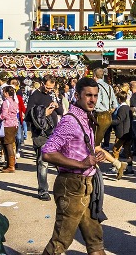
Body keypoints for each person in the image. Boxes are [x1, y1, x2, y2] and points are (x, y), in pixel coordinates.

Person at [41, 77, 108, 255]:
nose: (93, 100)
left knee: (95, 239)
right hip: (71, 186)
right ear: (77, 96)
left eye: (95, 95)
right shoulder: (70, 121)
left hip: (86, 185)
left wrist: (95, 155)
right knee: (60, 242)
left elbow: (80, 148)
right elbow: (47, 152)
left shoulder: (85, 117)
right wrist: (81, 163)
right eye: (88, 95)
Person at [26, 74, 64, 201]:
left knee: (60, 161)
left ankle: (64, 187)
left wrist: (57, 105)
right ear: (42, 84)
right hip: (41, 134)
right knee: (43, 163)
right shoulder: (35, 96)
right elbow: (28, 115)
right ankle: (43, 191)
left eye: (51, 88)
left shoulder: (52, 95)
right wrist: (44, 113)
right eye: (47, 87)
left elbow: (61, 112)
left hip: (54, 133)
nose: (49, 90)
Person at [92, 67, 117, 148]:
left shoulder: (96, 86)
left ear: (94, 76)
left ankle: (94, 154)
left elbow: (97, 102)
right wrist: (110, 110)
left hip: (99, 115)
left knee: (95, 141)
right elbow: (115, 104)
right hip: (108, 115)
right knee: (102, 137)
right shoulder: (109, 86)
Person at [110, 91, 134, 175]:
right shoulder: (128, 108)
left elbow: (119, 120)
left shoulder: (121, 108)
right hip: (128, 132)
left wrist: (110, 122)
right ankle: (130, 168)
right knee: (127, 151)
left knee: (116, 149)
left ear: (119, 99)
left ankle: (115, 167)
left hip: (121, 132)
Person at [0, 84, 19, 173]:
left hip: (7, 125)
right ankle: (9, 164)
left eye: (4, 92)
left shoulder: (5, 102)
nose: (3, 94)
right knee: (9, 143)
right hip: (14, 124)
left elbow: (4, 115)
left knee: (8, 144)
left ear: (6, 93)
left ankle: (11, 166)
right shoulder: (14, 101)